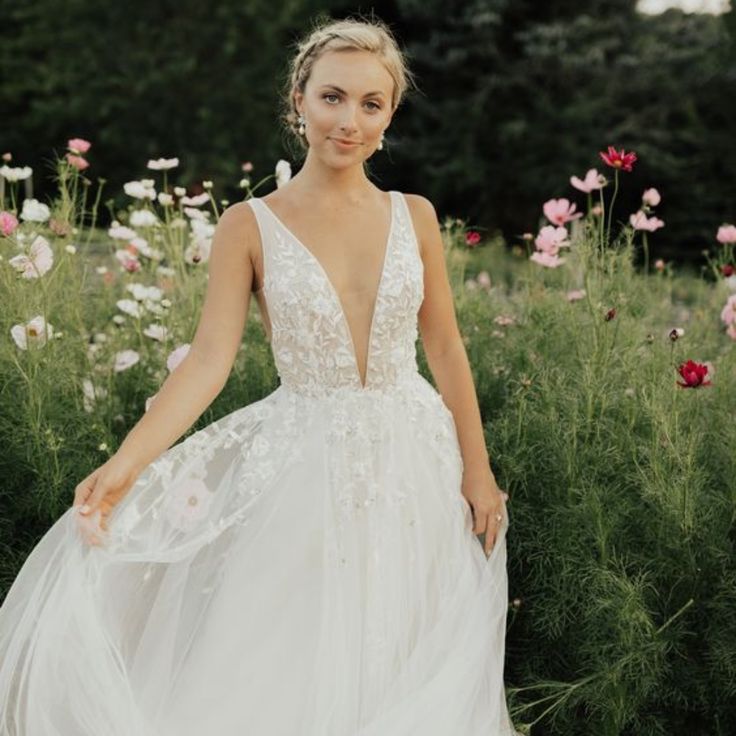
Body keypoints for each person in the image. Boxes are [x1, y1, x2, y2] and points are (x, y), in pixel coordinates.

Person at [0, 14, 516, 736]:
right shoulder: (249, 224)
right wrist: (126, 463)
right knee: (291, 658)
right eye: (333, 97)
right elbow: (209, 362)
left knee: (408, 648)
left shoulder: (415, 216)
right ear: (298, 98)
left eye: (372, 104)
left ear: (390, 113)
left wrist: (477, 469)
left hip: (416, 468)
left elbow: (447, 348)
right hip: (305, 471)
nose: (350, 120)